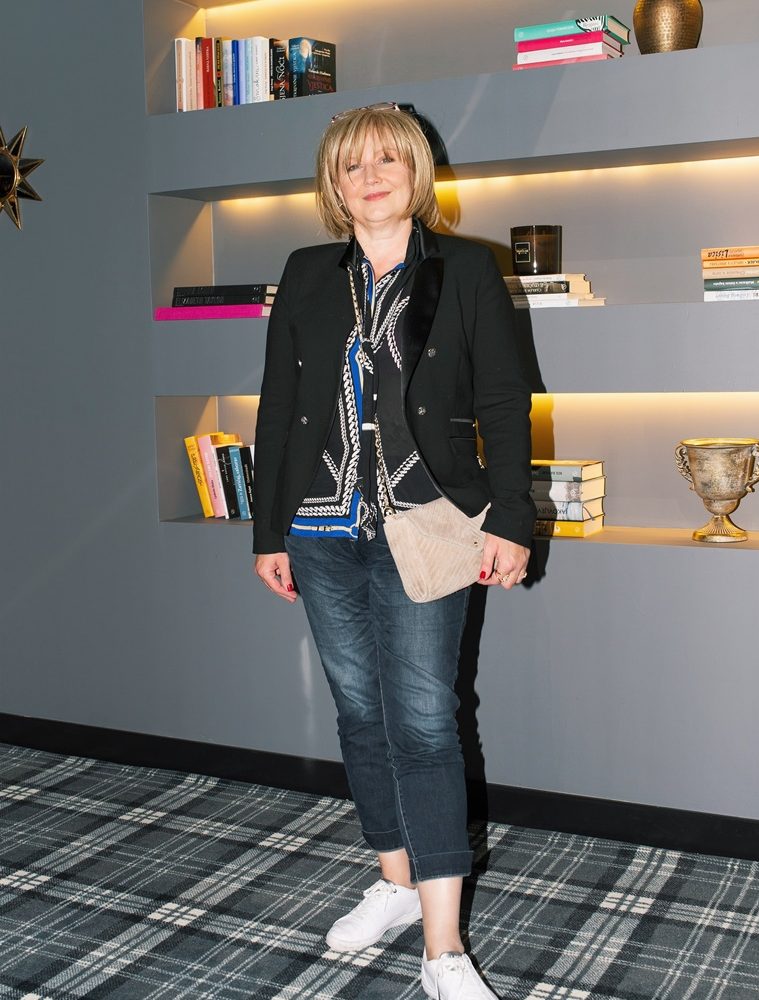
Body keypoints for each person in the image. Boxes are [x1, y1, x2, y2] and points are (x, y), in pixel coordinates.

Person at [253, 103, 534, 1000]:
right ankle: (395, 885)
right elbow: (275, 404)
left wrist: (512, 519)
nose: (369, 176)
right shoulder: (306, 273)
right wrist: (268, 531)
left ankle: (443, 951)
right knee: (359, 715)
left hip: (429, 523)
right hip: (320, 528)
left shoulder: (467, 269)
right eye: (351, 165)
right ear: (333, 185)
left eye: (387, 160)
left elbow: (503, 404)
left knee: (422, 723)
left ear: (416, 172)